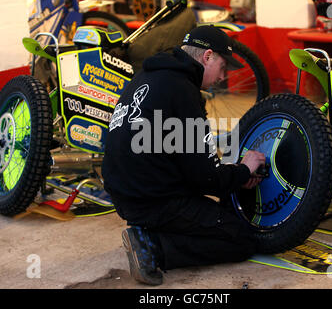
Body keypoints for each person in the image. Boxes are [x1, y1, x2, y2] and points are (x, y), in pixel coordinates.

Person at [102, 25, 266, 285]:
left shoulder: (148, 75)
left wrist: (231, 176)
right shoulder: (182, 90)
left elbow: (182, 158)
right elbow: (205, 179)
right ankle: (152, 247)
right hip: (152, 200)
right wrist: (244, 169)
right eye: (223, 67)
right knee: (241, 239)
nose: (223, 77)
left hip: (125, 193)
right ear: (207, 56)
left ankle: (151, 232)